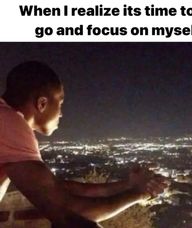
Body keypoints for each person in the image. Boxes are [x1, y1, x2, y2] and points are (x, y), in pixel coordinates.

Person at [0, 61, 167, 227]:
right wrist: (140, 194)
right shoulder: (9, 123)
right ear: (42, 103)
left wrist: (128, 185)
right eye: (60, 104)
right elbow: (69, 213)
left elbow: (59, 188)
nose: (61, 114)